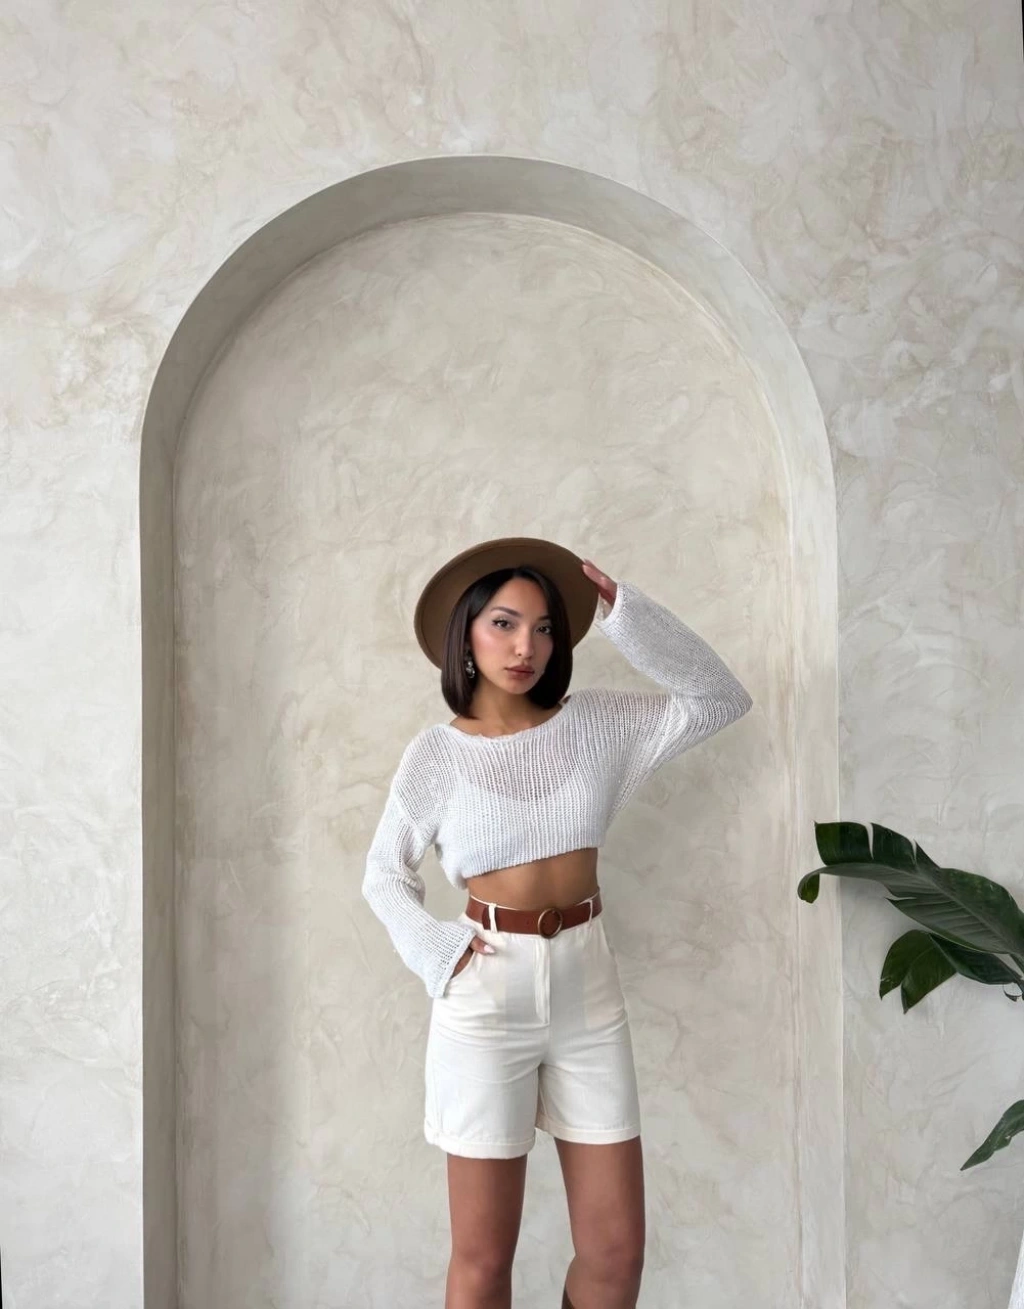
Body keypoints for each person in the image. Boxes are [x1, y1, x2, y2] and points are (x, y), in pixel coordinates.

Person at [362, 536, 753, 1309]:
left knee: (615, 1253)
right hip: (484, 992)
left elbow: (718, 698)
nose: (526, 647)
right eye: (504, 624)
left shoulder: (599, 725)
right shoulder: (436, 755)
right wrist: (439, 951)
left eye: (544, 628)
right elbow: (383, 874)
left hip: (587, 988)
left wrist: (626, 613)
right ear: (466, 635)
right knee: (483, 1260)